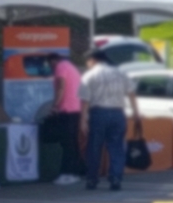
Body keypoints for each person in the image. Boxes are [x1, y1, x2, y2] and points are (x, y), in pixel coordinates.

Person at [77, 50, 140, 191]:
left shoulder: (89, 75)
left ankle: (92, 179)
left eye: (87, 62)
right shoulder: (120, 73)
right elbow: (131, 93)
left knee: (94, 147)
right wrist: (136, 113)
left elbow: (85, 100)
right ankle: (116, 178)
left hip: (98, 113)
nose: (87, 65)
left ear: (92, 60)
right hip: (118, 113)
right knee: (117, 147)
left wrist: (83, 120)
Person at [46, 53, 86, 186]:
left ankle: (67, 174)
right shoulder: (71, 67)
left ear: (54, 60)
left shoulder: (60, 67)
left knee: (67, 143)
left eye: (50, 63)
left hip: (67, 109)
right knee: (72, 143)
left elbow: (61, 88)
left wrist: (55, 106)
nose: (51, 67)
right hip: (76, 109)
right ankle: (75, 172)